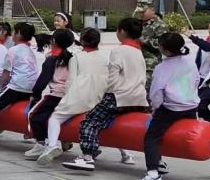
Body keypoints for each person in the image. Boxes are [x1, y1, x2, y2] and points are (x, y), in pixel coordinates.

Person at [61, 18, 149, 172]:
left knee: (89, 121)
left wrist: (105, 94)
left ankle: (87, 157)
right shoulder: (138, 51)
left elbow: (112, 78)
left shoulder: (119, 51)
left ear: (122, 31)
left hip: (120, 97)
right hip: (140, 98)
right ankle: (136, 156)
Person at [131, 32, 201, 180]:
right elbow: (196, 80)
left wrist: (156, 108)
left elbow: (156, 92)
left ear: (166, 50)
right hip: (190, 105)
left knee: (151, 137)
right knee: (193, 131)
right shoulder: (189, 61)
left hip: (171, 108)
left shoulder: (162, 68)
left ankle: (153, 175)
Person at [0, 22, 40, 143]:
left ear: (18, 34)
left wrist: (1, 88)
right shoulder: (31, 50)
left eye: (14, 31)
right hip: (31, 87)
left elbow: (6, 73)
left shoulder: (13, 50)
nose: (12, 34)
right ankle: (27, 133)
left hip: (17, 85)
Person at [28, 30, 80, 163]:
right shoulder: (71, 57)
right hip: (68, 95)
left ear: (54, 41)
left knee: (33, 115)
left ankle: (41, 143)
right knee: (49, 116)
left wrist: (35, 94)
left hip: (55, 95)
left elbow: (43, 79)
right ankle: (55, 142)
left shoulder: (52, 58)